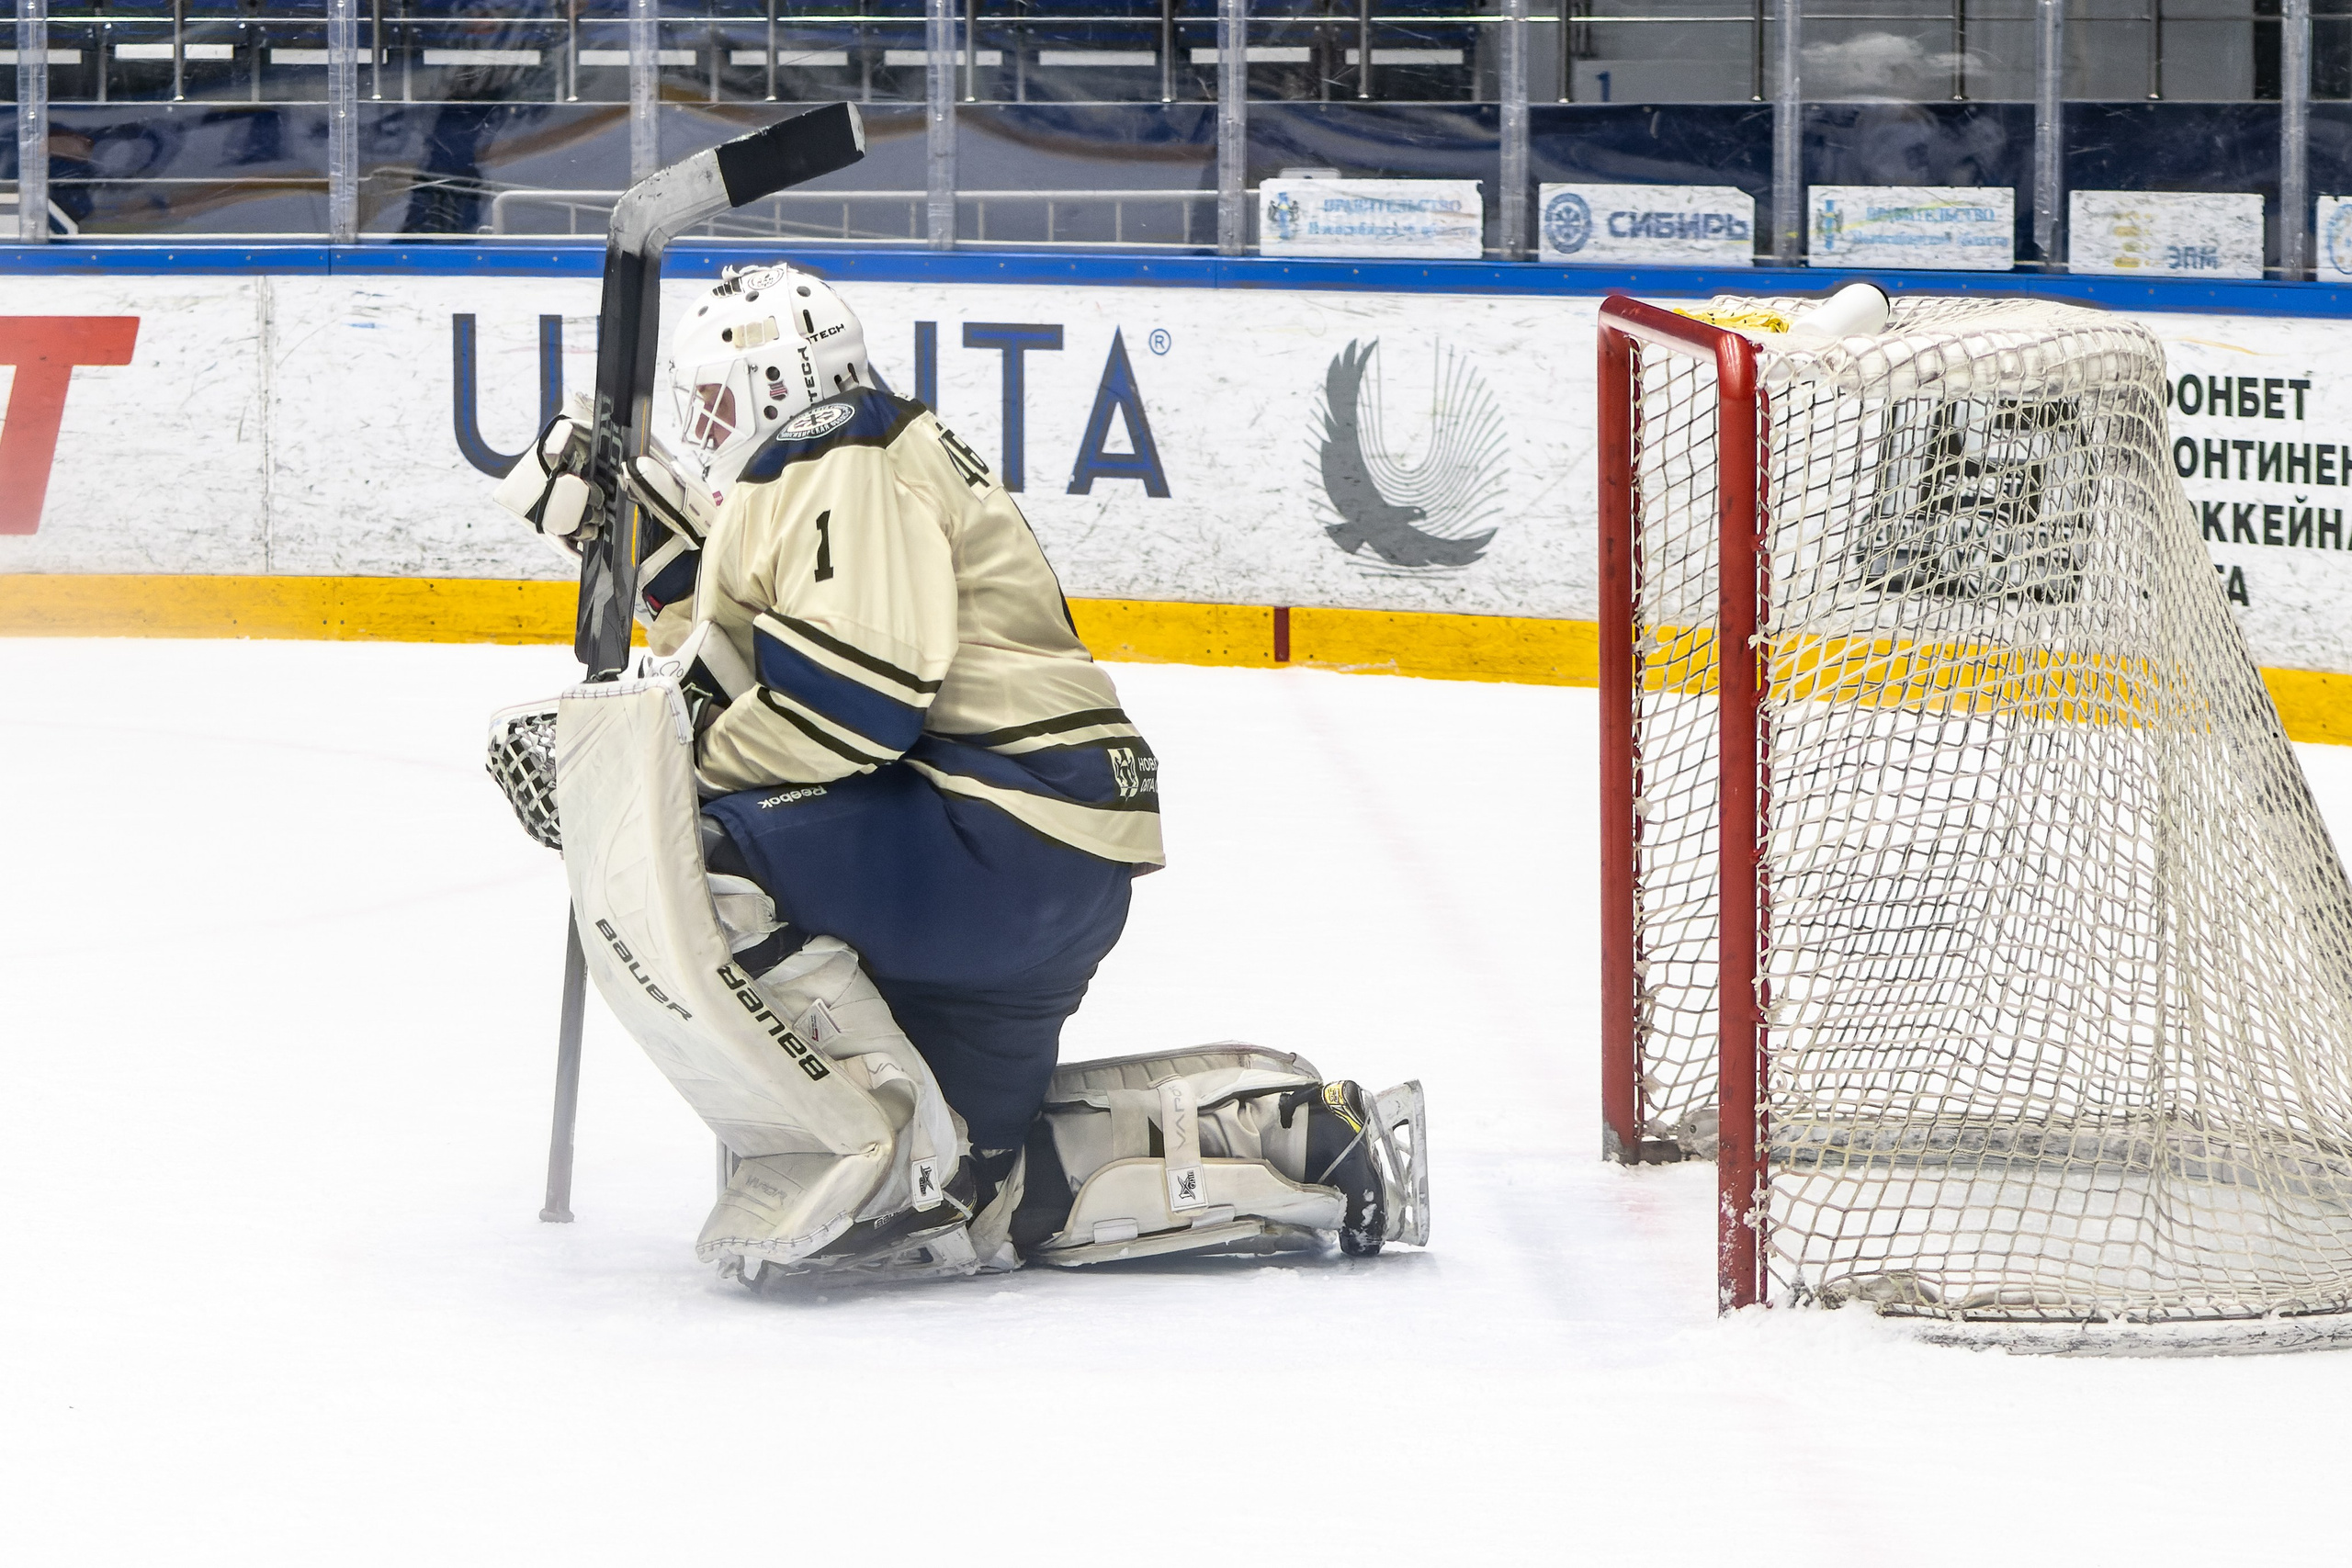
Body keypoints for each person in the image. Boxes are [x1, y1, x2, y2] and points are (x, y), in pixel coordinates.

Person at [492, 262, 1424, 1282]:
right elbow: (786, 647)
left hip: (995, 834)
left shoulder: (834, 447)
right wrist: (655, 551)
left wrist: (658, 767)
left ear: (777, 385)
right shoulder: (856, 456)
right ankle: (1314, 1141)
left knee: (699, 855)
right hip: (1040, 856)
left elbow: (848, 707)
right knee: (987, 1191)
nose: (707, 425)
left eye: (716, 401)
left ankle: (880, 1162)